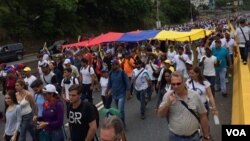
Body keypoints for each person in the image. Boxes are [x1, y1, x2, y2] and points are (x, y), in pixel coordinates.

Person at [157, 71, 210, 141]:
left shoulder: (194, 95)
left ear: (184, 82)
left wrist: (206, 136)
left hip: (193, 137)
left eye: (178, 83)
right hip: (175, 137)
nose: (176, 86)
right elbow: (160, 115)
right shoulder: (167, 96)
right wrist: (168, 104)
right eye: (173, 84)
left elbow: (203, 116)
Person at [106, 59, 131, 126]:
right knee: (118, 110)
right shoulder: (111, 73)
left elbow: (127, 82)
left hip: (121, 94)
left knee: (120, 111)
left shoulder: (122, 72)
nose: (112, 66)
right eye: (111, 65)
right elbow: (109, 83)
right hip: (114, 94)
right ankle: (122, 122)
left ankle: (121, 124)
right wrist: (107, 90)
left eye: (113, 65)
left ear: (117, 65)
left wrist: (129, 92)